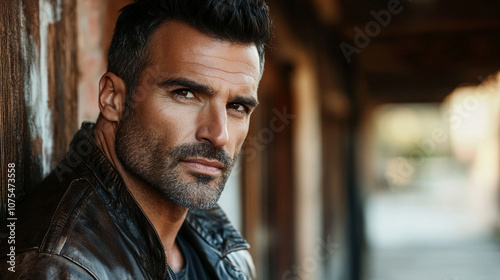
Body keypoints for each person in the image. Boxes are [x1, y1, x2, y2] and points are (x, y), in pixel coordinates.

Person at [0, 0, 273, 279]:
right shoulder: (59, 267)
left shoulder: (228, 253)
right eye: (186, 93)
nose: (218, 135)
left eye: (237, 107)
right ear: (113, 98)